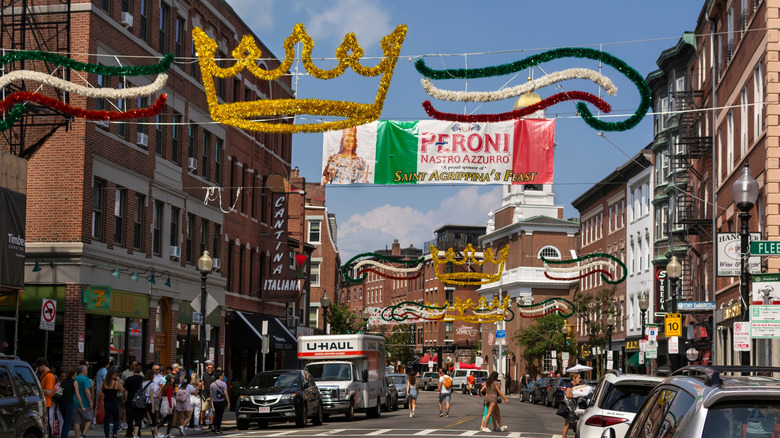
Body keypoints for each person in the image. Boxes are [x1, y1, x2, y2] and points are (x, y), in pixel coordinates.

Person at [101, 369, 126, 438]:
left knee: (107, 420)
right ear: (113, 375)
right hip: (114, 403)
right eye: (115, 375)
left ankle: (106, 435)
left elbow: (100, 393)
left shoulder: (104, 383)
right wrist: (120, 382)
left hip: (106, 403)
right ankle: (114, 433)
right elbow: (123, 391)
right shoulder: (116, 383)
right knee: (116, 419)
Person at [35, 358, 56, 435]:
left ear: (43, 365)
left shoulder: (49, 376)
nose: (39, 369)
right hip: (44, 402)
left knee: (46, 423)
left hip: (46, 402)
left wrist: (38, 389)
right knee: (44, 423)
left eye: (39, 367)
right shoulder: (44, 374)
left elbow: (49, 391)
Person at [73, 364, 95, 438]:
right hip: (84, 404)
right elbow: (86, 390)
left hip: (75, 403)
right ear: (83, 371)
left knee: (77, 422)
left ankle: (77, 436)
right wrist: (90, 401)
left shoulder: (75, 378)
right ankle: (83, 435)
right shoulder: (86, 379)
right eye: (86, 370)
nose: (87, 371)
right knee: (90, 419)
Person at [123, 364, 144, 438]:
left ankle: (129, 431)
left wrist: (125, 397)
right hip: (140, 400)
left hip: (130, 398)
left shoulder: (129, 379)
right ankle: (137, 432)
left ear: (134, 370)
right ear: (140, 371)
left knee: (129, 417)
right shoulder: (143, 379)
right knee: (138, 416)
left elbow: (124, 389)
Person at [562, 373, 582, 438]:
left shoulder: (577, 385)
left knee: (577, 424)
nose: (580, 379)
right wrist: (576, 396)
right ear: (574, 378)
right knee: (567, 424)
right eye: (579, 378)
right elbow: (567, 395)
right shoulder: (569, 385)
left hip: (574, 407)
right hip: (568, 407)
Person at [59, 367, 77, 438]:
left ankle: (63, 435)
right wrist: (81, 405)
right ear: (74, 374)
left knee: (65, 421)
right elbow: (77, 395)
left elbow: (59, 393)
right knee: (67, 423)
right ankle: (64, 436)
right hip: (69, 403)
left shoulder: (63, 382)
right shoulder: (74, 382)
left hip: (61, 403)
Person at [209, 369, 229, 433]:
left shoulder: (212, 384)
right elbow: (225, 393)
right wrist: (228, 402)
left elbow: (211, 395)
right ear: (220, 376)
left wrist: (210, 403)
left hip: (215, 401)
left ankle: (214, 425)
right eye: (222, 376)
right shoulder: (223, 384)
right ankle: (218, 427)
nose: (223, 377)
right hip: (221, 401)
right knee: (220, 415)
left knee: (216, 413)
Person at [200, 361, 215, 428]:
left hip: (213, 396)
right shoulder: (205, 375)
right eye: (208, 368)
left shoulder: (215, 375)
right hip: (205, 395)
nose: (209, 369)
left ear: (213, 369)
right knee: (203, 410)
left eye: (211, 368)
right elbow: (202, 383)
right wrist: (202, 389)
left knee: (212, 410)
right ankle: (201, 422)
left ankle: (211, 423)